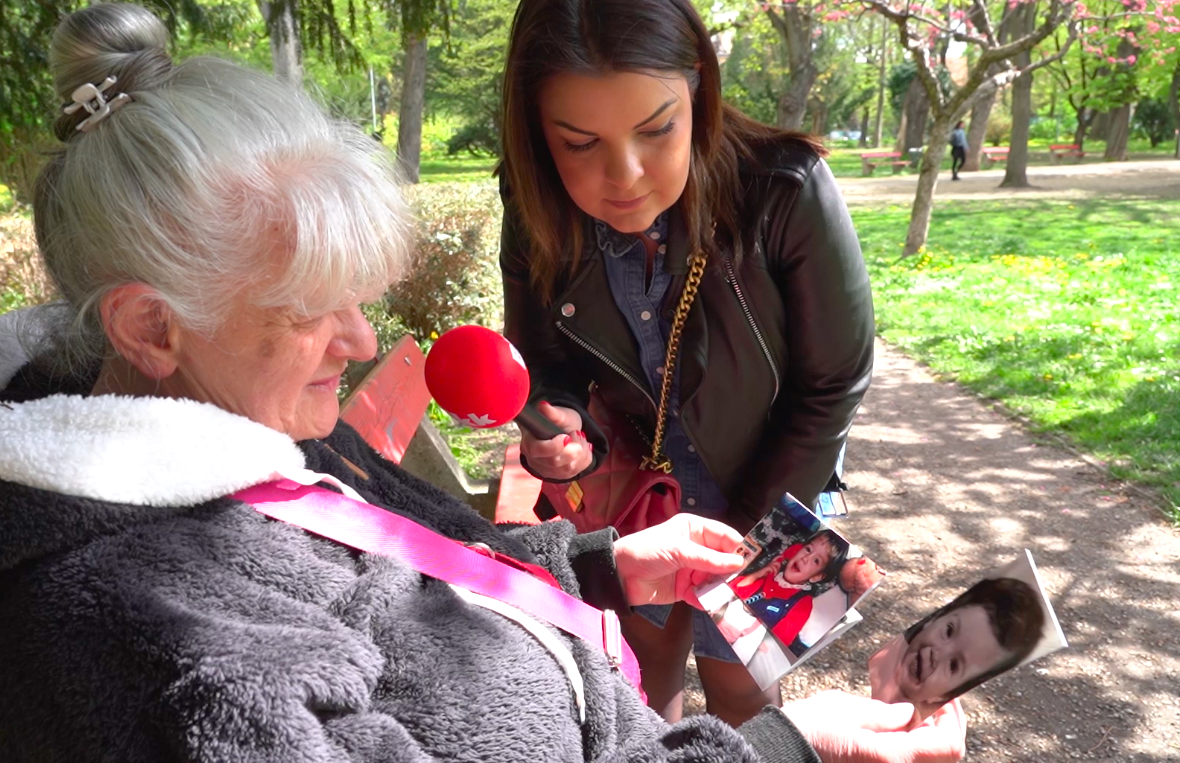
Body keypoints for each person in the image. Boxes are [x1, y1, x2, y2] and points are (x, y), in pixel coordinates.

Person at [0, 5, 968, 763]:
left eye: (359, 297)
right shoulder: (156, 633)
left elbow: (407, 555)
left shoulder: (243, 405)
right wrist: (785, 750)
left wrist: (600, 561)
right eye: (310, 308)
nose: (361, 339)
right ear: (149, 326)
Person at [498, 0, 875, 727]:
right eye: (579, 143)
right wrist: (562, 423)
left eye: (657, 129)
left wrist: (753, 539)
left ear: (699, 86)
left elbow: (833, 382)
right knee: (638, 683)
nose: (625, 175)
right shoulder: (535, 205)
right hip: (636, 500)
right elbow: (543, 358)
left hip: (774, 493)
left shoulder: (784, 188)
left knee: (742, 695)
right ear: (536, 131)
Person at [869, 577, 1046, 720]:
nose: (936, 654)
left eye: (954, 665)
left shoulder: (911, 736)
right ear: (933, 619)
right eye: (949, 631)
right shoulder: (882, 661)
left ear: (946, 696)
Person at [727, 529, 848, 648]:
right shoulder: (768, 574)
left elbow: (778, 642)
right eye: (808, 549)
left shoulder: (803, 603)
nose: (805, 558)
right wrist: (756, 576)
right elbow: (729, 592)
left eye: (816, 560)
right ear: (797, 550)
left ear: (817, 576)